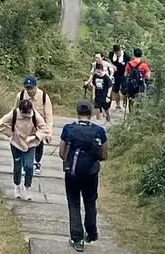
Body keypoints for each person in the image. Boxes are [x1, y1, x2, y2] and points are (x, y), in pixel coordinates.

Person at [59, 99, 108, 250]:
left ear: (77, 112)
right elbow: (104, 155)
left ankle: (77, 239)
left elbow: (62, 153)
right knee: (90, 201)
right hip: (91, 173)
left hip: (72, 173)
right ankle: (92, 232)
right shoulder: (99, 131)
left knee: (73, 203)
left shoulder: (68, 129)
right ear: (92, 112)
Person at [0, 96, 50, 201]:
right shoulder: (14, 114)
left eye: (28, 114)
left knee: (29, 167)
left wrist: (34, 137)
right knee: (17, 166)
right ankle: (17, 185)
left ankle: (27, 187)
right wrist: (12, 134)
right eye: (24, 114)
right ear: (20, 111)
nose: (26, 116)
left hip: (30, 144)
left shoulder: (35, 115)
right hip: (16, 144)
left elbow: (45, 129)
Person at [16, 76, 54, 171]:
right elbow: (15, 112)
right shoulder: (20, 96)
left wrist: (48, 132)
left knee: (38, 143)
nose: (29, 91)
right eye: (27, 88)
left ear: (35, 87)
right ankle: (25, 163)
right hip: (25, 125)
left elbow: (48, 116)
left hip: (38, 126)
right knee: (24, 143)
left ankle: (37, 162)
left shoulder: (44, 97)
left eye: (31, 88)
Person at [88, 55, 114, 122]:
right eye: (97, 72)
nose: (98, 73)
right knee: (97, 107)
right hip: (98, 94)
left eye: (99, 72)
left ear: (102, 70)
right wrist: (93, 95)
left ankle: (108, 116)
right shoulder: (95, 76)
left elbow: (110, 87)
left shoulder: (106, 78)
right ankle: (99, 120)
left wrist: (108, 96)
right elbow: (94, 85)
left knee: (106, 108)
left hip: (105, 94)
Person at [110, 45, 127, 110]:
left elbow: (128, 65)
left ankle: (124, 101)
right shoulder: (111, 54)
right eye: (116, 53)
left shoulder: (125, 56)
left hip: (123, 74)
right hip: (115, 74)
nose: (118, 54)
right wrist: (112, 65)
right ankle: (118, 104)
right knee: (115, 90)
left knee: (124, 90)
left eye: (118, 53)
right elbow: (108, 60)